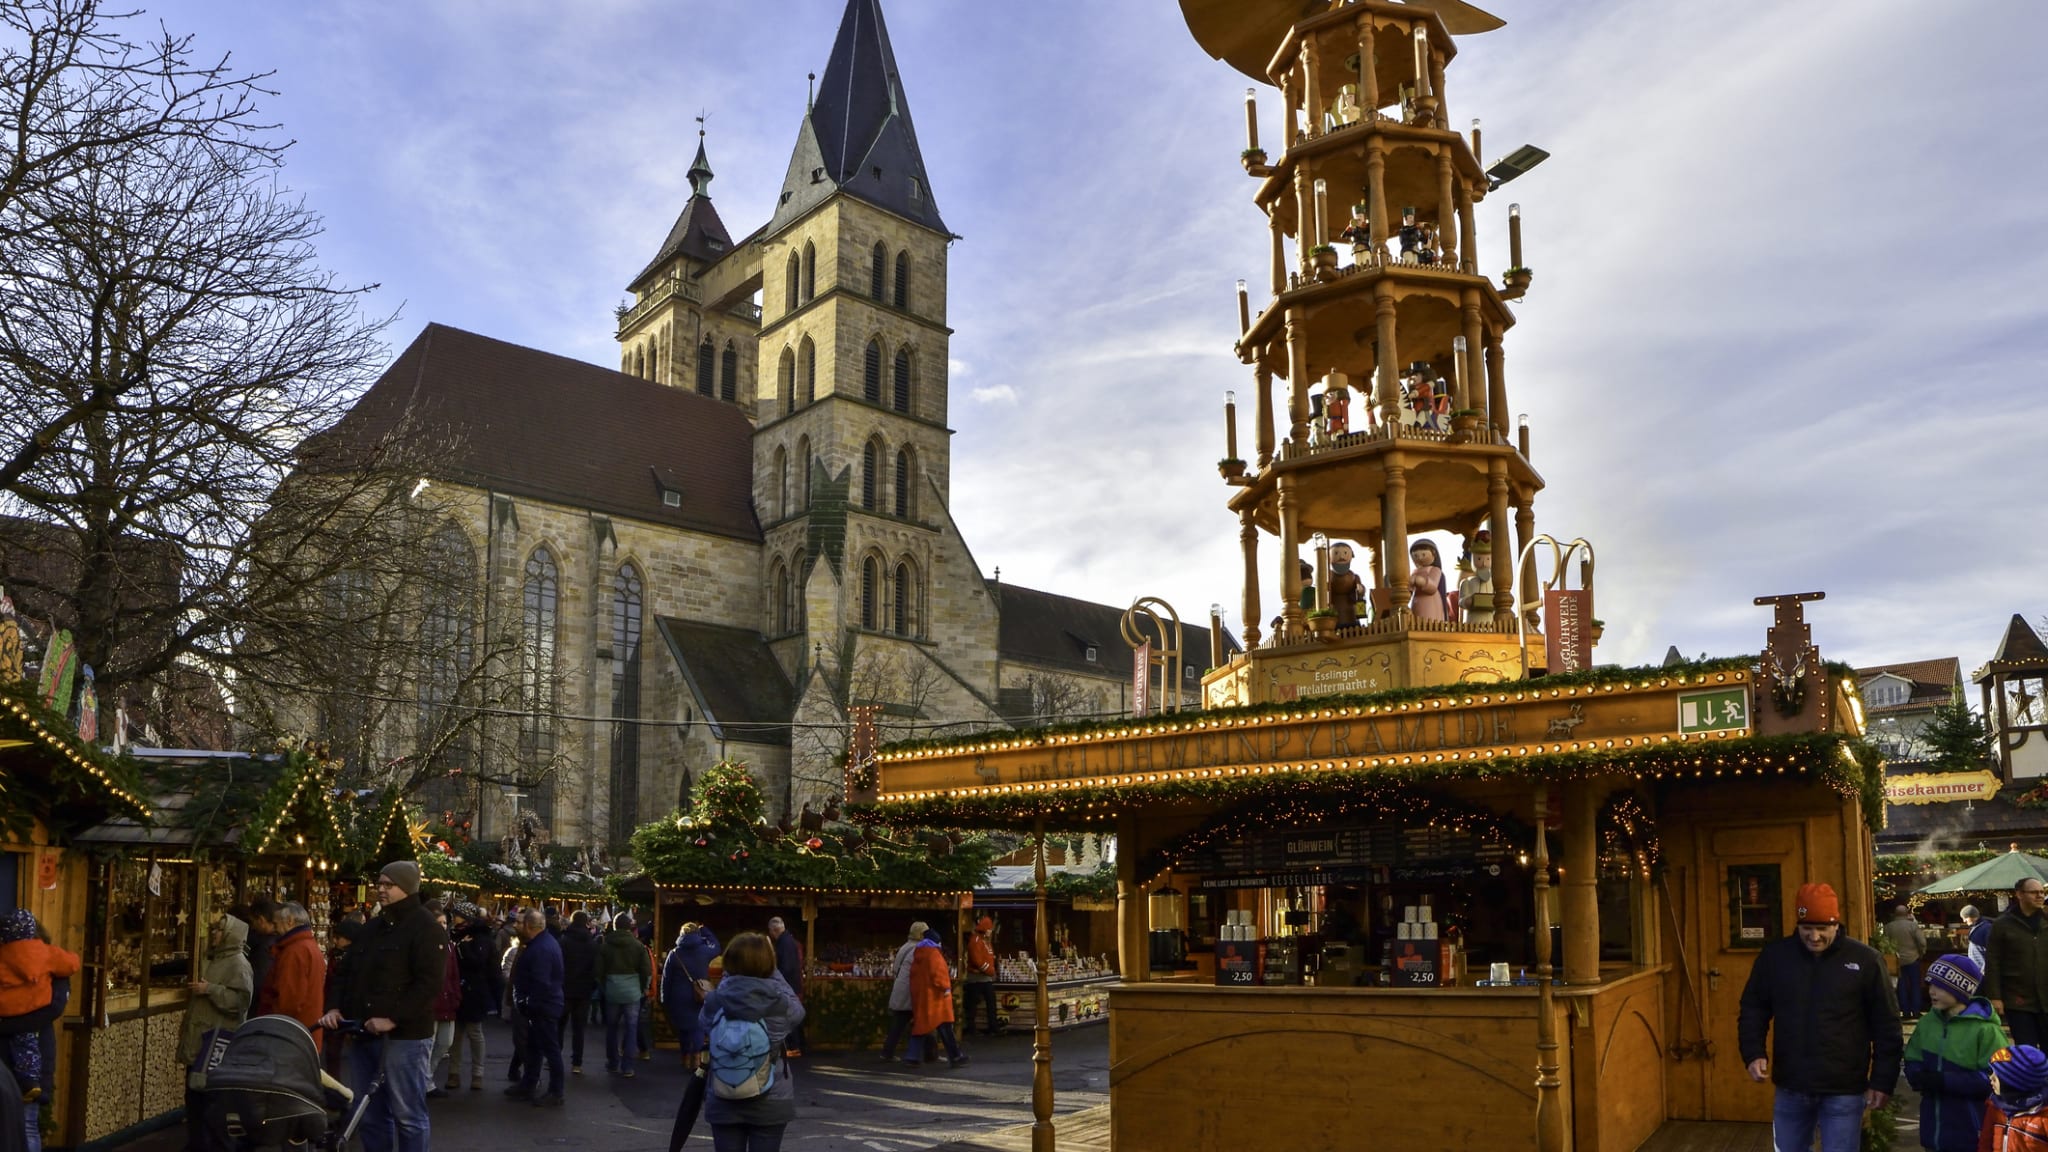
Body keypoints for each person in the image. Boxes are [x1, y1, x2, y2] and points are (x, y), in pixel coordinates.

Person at [1736, 881, 1899, 1152]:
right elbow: (1754, 1007)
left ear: (1836, 924)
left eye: (1822, 928)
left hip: (1844, 1089)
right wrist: (1753, 1052)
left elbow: (1886, 1025)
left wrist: (1882, 1081)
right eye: (1806, 928)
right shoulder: (1775, 957)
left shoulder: (1866, 961)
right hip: (1791, 1086)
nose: (1814, 936)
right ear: (1797, 925)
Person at [318, 861, 450, 1152]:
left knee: (408, 1115)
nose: (380, 889)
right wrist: (335, 1007)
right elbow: (346, 972)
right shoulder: (373, 928)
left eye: (388, 884)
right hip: (364, 1033)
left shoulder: (426, 929)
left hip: (404, 1038)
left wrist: (392, 1018)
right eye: (379, 883)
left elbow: (428, 985)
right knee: (371, 1114)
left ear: (406, 887)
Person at [698, 932, 804, 1152]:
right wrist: (771, 972)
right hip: (771, 1097)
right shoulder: (778, 1003)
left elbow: (704, 1023)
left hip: (724, 1093)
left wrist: (729, 978)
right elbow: (798, 1011)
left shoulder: (715, 1000)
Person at [1902, 954, 2003, 1152]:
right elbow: (1913, 1056)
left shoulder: (1986, 1030)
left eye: (1940, 986)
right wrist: (1915, 1074)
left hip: (1971, 1130)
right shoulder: (1927, 1022)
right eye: (1930, 985)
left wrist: (1944, 1081)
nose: (1931, 992)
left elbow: (1996, 1079)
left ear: (1961, 989)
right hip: (1933, 1131)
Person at [181, 913, 254, 1152]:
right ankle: (198, 1144)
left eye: (219, 930)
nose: (214, 934)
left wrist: (209, 989)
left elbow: (240, 1002)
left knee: (210, 1102)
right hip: (200, 1037)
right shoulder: (213, 958)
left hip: (215, 1042)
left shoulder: (238, 964)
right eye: (213, 930)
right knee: (195, 1099)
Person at [0, 914, 71, 1152]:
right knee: (28, 1124)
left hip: (11, 1055)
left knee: (24, 1123)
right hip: (37, 1055)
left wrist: (5, 1023)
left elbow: (53, 1008)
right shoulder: (53, 964)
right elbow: (51, 1009)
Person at [505, 910, 565, 1106]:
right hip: (543, 1005)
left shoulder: (540, 948)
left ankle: (555, 1091)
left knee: (549, 1048)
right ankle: (529, 1083)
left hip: (542, 1006)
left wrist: (529, 1003)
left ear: (529, 926)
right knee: (535, 1048)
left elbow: (541, 982)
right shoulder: (545, 944)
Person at [1984, 877, 2048, 1047]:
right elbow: (1993, 961)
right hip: (2018, 1000)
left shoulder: (2046, 921)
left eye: (2042, 892)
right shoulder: (2002, 924)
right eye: (2034, 892)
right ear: (2019, 894)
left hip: (2046, 998)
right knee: (2026, 1052)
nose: (2040, 896)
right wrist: (1995, 997)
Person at [258, 902, 327, 1047]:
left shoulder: (295, 951)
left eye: (276, 924)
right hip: (303, 1032)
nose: (274, 929)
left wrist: (272, 1026)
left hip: (291, 1036)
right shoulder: (307, 946)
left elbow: (288, 1001)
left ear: (289, 921)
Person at [598, 913, 651, 1076]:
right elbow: (646, 970)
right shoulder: (638, 946)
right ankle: (627, 1066)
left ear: (614, 926)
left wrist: (604, 987)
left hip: (612, 990)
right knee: (631, 1028)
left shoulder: (605, 946)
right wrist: (643, 988)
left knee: (612, 1028)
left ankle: (613, 1062)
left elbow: (598, 971)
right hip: (633, 990)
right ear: (630, 927)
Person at [448, 905, 494, 1091]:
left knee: (474, 1032)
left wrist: (464, 948)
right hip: (457, 988)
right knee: (456, 1034)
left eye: (457, 916)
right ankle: (454, 1072)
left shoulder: (479, 938)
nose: (454, 919)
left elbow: (479, 962)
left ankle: (477, 1073)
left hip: (474, 990)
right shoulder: (455, 935)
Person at [663, 922, 721, 1067]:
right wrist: (705, 930)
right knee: (698, 1026)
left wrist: (664, 998)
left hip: (679, 996)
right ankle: (696, 1057)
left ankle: (685, 1056)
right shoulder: (705, 951)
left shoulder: (674, 954)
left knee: (683, 1028)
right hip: (699, 995)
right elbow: (717, 946)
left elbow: (666, 978)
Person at [909, 928, 966, 1069]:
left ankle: (912, 1056)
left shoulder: (918, 954)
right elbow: (939, 974)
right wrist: (946, 988)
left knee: (921, 1027)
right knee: (945, 1027)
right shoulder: (934, 954)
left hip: (922, 996)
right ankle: (955, 1056)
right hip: (936, 998)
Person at [425, 902, 461, 1099]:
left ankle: (427, 1076)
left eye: (445, 922)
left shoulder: (449, 946)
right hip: (432, 1002)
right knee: (429, 1044)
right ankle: (425, 1082)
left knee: (445, 1043)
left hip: (447, 1000)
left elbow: (454, 973)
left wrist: (456, 994)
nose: (443, 926)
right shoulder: (425, 944)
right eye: (439, 922)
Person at [879, 921, 927, 1063]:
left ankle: (887, 1052)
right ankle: (929, 1054)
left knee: (898, 1024)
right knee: (925, 1023)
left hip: (901, 990)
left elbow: (896, 968)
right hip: (910, 992)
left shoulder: (904, 947)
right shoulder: (917, 950)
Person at [558, 911, 599, 1074]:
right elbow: (596, 968)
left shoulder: (563, 941)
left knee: (559, 1025)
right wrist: (592, 986)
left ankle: (555, 1056)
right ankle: (577, 1062)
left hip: (565, 988)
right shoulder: (592, 943)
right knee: (579, 1028)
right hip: (584, 990)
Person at [1984, 1044, 2048, 1147]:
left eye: (1998, 1075)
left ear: (2016, 1082)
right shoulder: (1995, 1107)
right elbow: (1985, 1144)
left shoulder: (2043, 1116)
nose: (1991, 1077)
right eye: (1991, 1072)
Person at [766, 917, 806, 1058]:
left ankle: (794, 1046)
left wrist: (777, 979)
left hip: (788, 984)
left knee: (788, 1016)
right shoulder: (789, 941)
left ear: (774, 930)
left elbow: (787, 967)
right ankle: (798, 1044)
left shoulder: (784, 943)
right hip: (793, 983)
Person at [1886, 904, 1929, 1017]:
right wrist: (1921, 952)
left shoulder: (1888, 927)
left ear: (1895, 914)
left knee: (1901, 986)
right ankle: (1915, 1011)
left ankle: (1904, 1012)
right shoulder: (1912, 926)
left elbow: (1885, 943)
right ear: (1907, 914)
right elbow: (1922, 942)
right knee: (1915, 985)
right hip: (1913, 958)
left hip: (1896, 960)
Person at [962, 917, 999, 1036]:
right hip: (977, 978)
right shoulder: (976, 941)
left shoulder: (985, 941)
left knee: (990, 1003)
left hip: (985, 977)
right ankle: (972, 1028)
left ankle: (993, 1027)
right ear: (984, 929)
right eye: (989, 929)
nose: (991, 931)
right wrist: (990, 971)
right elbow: (978, 961)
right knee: (973, 1005)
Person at [501, 925, 527, 1084]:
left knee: (523, 1039)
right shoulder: (514, 952)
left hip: (523, 997)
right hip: (519, 997)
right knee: (522, 1039)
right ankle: (523, 1074)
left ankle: (515, 1070)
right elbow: (505, 971)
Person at [1409, 539, 1450, 622]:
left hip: (1430, 602)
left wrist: (1422, 581)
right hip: (1417, 601)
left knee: (1429, 619)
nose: (1420, 558)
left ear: (1434, 554)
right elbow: (1409, 588)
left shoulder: (1435, 570)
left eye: (1423, 554)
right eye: (1416, 556)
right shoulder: (1414, 572)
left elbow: (1433, 587)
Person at [1327, 542, 1366, 629]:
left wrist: (1361, 590)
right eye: (1336, 553)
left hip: (1350, 610)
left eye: (1345, 553)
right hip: (1335, 610)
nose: (1341, 557)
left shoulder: (1354, 576)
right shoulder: (1328, 576)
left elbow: (1361, 592)